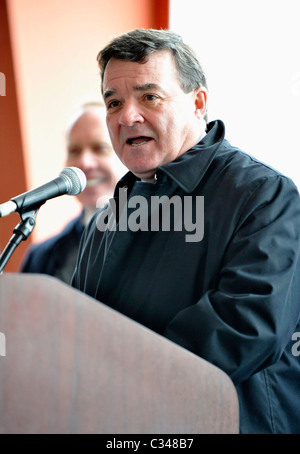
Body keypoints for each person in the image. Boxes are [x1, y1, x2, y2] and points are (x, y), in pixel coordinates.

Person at [71, 29, 300, 434]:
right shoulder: (108, 219)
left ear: (198, 104)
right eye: (114, 102)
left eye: (149, 97)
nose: (127, 116)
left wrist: (122, 383)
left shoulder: (262, 195)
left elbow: (247, 328)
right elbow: (79, 334)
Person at [20, 101, 120, 284]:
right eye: (74, 150)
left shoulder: (162, 237)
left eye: (100, 148)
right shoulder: (40, 259)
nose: (85, 163)